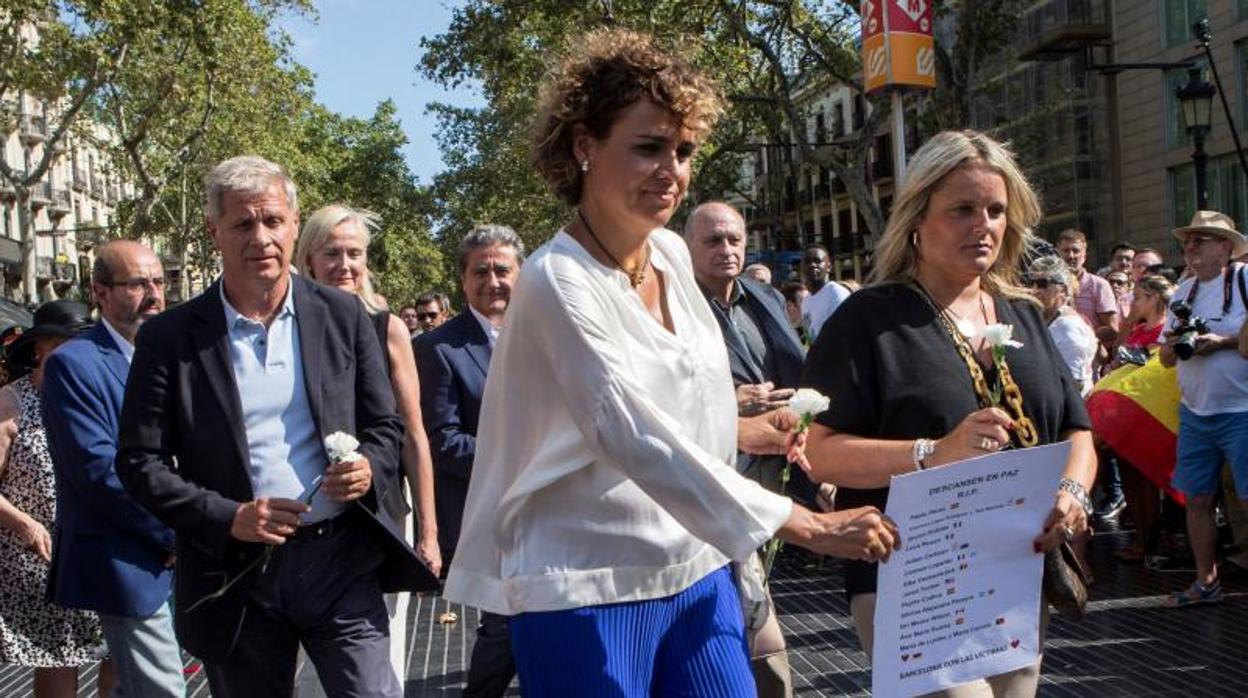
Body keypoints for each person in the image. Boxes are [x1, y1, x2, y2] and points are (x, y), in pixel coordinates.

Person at [442, 28, 899, 697]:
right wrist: (803, 523)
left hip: (698, 563)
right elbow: (628, 430)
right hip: (583, 586)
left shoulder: (672, 255)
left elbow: (686, 403)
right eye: (650, 147)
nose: (673, 171)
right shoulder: (553, 281)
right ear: (583, 146)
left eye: (684, 151)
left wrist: (746, 431)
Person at [114, 156, 433, 697]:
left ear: (293, 222)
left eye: (272, 221)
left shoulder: (344, 315)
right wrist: (229, 516)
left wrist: (367, 468)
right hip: (236, 574)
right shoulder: (169, 337)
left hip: (341, 560)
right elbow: (137, 462)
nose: (260, 238)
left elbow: (385, 426)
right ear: (215, 232)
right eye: (243, 224)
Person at [801, 129, 1097, 696]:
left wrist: (1073, 495)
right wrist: (933, 453)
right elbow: (818, 451)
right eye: (961, 209)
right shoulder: (868, 320)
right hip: (913, 577)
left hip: (1014, 573)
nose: (982, 224)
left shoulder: (1025, 313)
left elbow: (1076, 428)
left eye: (994, 210)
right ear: (917, 217)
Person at [294, 203, 443, 681]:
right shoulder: (286, 332)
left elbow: (414, 435)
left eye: (353, 253)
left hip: (378, 516)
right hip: (299, 519)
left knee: (379, 661)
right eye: (331, 253)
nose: (344, 264)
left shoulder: (388, 328)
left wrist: (428, 534)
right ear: (308, 260)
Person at [41, 242, 186, 698]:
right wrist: (175, 531)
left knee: (133, 688)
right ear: (100, 291)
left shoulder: (178, 355)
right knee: (163, 691)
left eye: (159, 282)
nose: (154, 294)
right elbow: (98, 470)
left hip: (189, 553)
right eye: (137, 283)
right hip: (126, 558)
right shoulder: (72, 364)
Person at [684, 201, 812, 697]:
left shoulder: (763, 299)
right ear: (688, 246)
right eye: (713, 240)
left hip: (774, 468)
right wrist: (732, 402)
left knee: (750, 600)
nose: (727, 249)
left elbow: (797, 369)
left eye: (734, 239)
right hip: (710, 478)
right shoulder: (672, 307)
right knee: (752, 614)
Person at [414, 224, 523, 697]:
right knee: (507, 623)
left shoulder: (549, 334)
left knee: (532, 623)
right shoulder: (438, 350)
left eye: (503, 269)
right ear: (463, 280)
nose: (493, 280)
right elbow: (444, 442)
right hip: (487, 515)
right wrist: (524, 459)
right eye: (481, 271)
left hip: (555, 508)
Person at [0, 301, 105, 697]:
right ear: (39, 348)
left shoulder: (96, 395)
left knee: (117, 660)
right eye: (65, 344)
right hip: (41, 563)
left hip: (99, 551)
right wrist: (24, 524)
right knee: (60, 665)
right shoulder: (12, 401)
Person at [1159, 210, 1248, 607]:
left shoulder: (1244, 280)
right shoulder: (1182, 293)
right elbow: (1164, 358)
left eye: (1201, 240)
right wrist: (1178, 341)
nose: (1190, 247)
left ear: (1226, 249)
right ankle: (1206, 582)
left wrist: (1221, 341)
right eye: (1188, 240)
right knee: (1197, 499)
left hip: (1242, 409)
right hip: (1195, 412)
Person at [1106, 274, 1175, 562]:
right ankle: (1140, 534)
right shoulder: (1138, 329)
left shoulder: (1164, 330)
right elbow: (1117, 353)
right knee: (1130, 477)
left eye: (1138, 297)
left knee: (1146, 479)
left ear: (1154, 299)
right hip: (1127, 412)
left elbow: (1159, 370)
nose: (1133, 303)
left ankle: (1151, 538)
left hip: (1148, 412)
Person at [1025, 256, 1098, 396]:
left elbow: (1075, 383)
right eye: (1030, 282)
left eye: (1042, 283)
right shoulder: (1046, 319)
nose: (1034, 289)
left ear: (1063, 290)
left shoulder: (1068, 327)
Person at [1055, 229, 1119, 346]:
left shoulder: (1099, 285)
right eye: (1066, 251)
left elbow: (1112, 328)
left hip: (1088, 358)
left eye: (1076, 251)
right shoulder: (1049, 286)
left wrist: (1083, 338)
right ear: (1057, 254)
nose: (1071, 256)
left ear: (1084, 255)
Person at [800, 244, 850, 341]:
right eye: (807, 262)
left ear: (829, 267)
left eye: (818, 261)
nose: (812, 265)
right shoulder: (805, 302)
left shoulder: (836, 293)